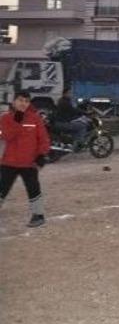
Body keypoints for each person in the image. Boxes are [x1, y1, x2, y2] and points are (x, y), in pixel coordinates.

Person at [0, 91, 51, 228]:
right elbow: (7, 136)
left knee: (33, 188)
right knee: (2, 189)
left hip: (29, 162)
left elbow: (43, 139)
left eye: (26, 101)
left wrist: (42, 155)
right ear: (14, 102)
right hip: (9, 162)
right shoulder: (5, 118)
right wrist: (17, 120)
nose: (23, 103)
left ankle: (38, 215)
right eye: (21, 100)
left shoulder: (35, 119)